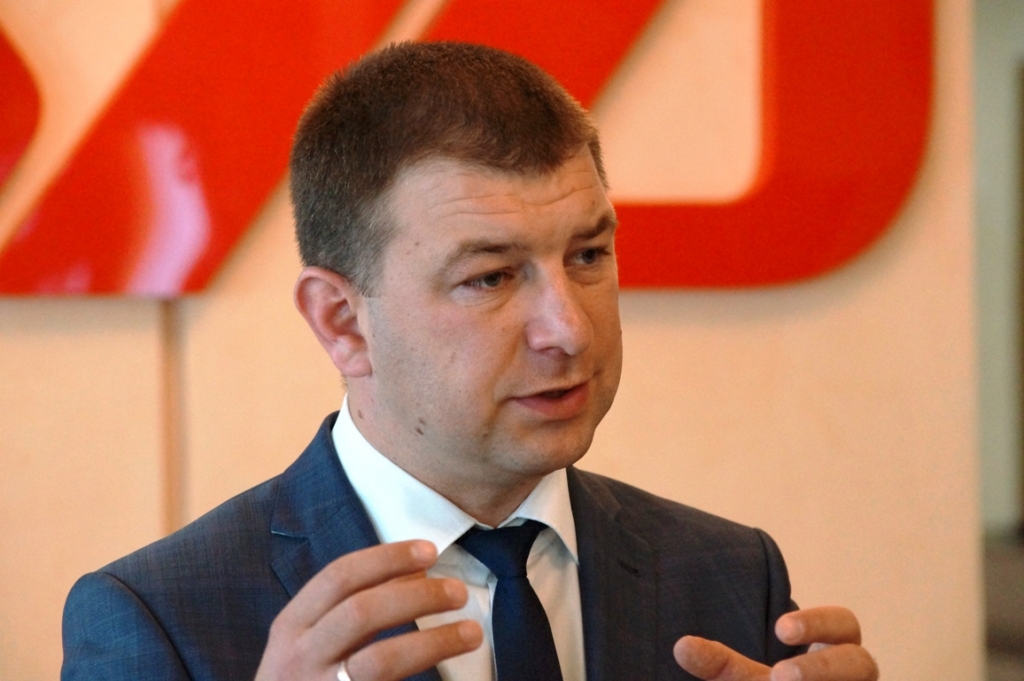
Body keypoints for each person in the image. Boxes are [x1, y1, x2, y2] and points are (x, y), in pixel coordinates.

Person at [62, 41, 878, 681]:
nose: (569, 329)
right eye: (490, 277)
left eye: (588, 255)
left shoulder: (733, 573)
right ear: (343, 321)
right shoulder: (155, 619)